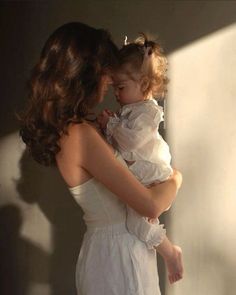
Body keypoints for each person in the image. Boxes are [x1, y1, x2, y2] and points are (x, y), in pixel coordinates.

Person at [19, 22, 182, 295]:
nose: (109, 83)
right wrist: (177, 178)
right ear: (85, 75)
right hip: (117, 259)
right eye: (105, 73)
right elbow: (151, 206)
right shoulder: (80, 135)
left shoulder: (77, 129)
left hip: (118, 251)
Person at [97, 34, 183, 284]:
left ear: (144, 85)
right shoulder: (130, 111)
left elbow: (132, 142)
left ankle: (170, 253)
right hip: (141, 176)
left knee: (138, 224)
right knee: (138, 223)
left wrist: (111, 125)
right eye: (114, 87)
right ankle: (167, 252)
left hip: (151, 175)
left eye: (120, 87)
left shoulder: (147, 112)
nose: (115, 93)